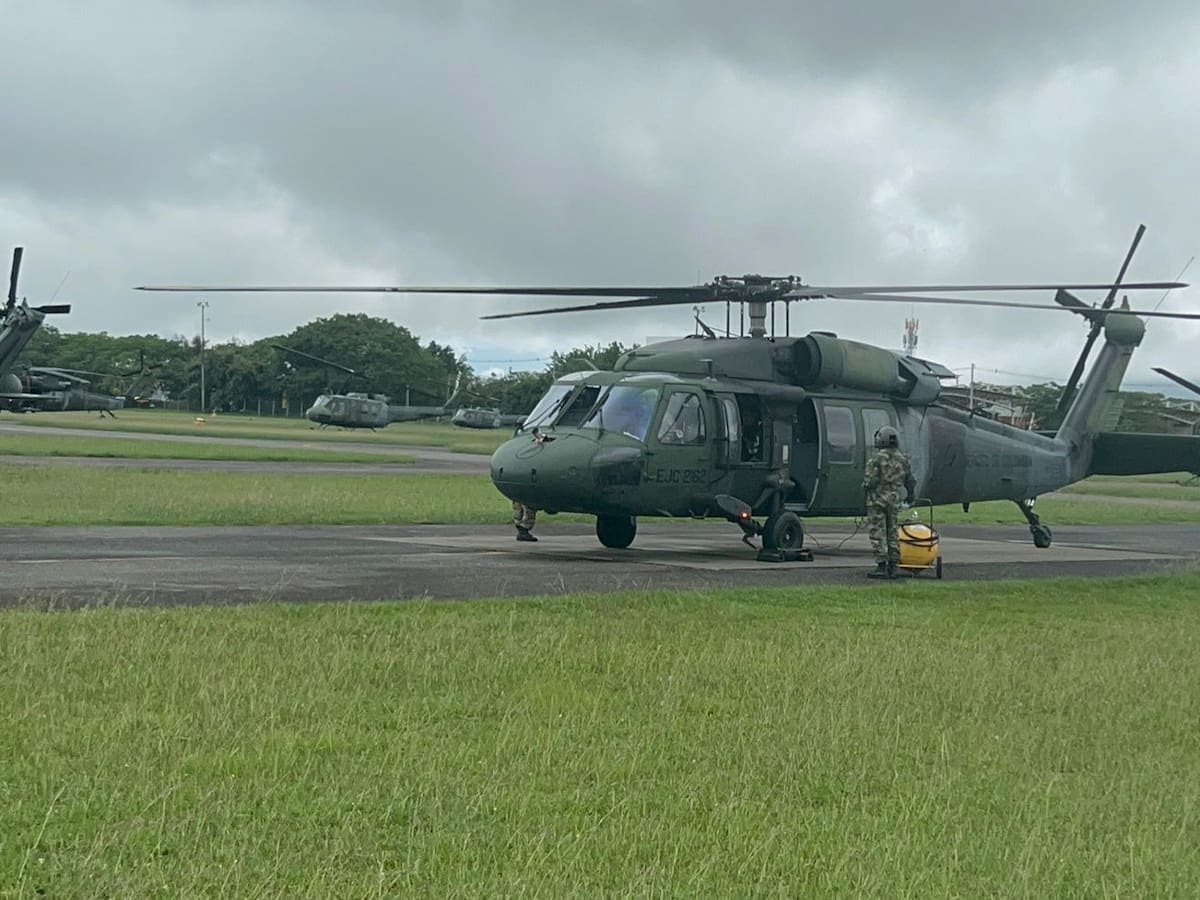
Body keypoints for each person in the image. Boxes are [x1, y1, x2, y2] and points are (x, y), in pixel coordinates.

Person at [862, 424, 916, 579]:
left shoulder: (876, 459)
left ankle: (881, 565)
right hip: (894, 500)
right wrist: (910, 495)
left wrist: (866, 489)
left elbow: (869, 481)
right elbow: (910, 481)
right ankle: (893, 565)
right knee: (893, 531)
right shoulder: (903, 458)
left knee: (878, 531)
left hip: (877, 501)